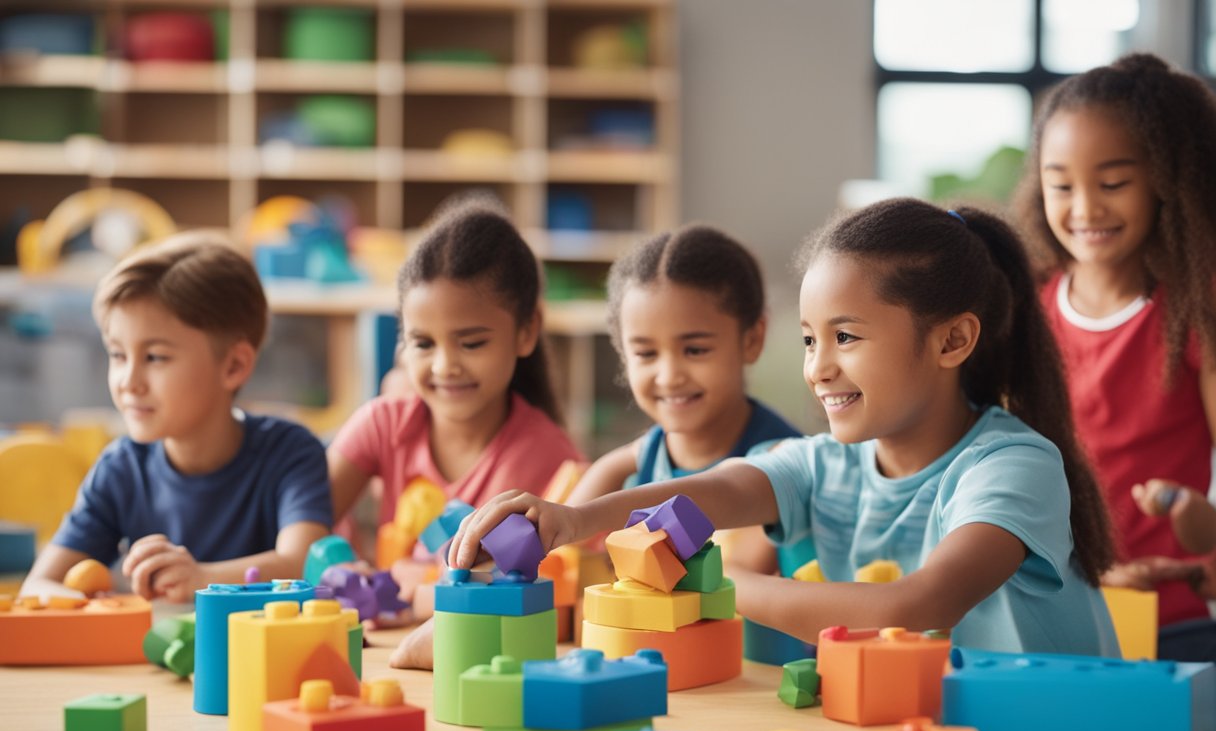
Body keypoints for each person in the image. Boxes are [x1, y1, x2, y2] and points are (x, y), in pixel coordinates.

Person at [449, 199, 1120, 657]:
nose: (818, 368)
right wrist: (570, 520)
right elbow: (712, 491)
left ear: (952, 341)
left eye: (846, 337)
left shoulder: (1010, 465)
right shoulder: (826, 463)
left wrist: (704, 583)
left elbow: (914, 607)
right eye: (809, 340)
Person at [1015, 53, 1216, 658]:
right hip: (1050, 611)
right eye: (1062, 185)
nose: (1085, 209)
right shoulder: (1028, 308)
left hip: (1172, 617)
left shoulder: (1196, 306)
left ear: (1166, 180)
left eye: (1113, 184)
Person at [324, 205, 583, 666]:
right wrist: (333, 565)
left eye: (472, 342)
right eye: (423, 343)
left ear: (526, 332)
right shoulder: (384, 422)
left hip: (476, 662)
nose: (445, 366)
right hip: (378, 658)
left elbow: (542, 605)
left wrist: (412, 594)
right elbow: (302, 519)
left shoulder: (543, 455)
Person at [22, 233, 332, 603]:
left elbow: (304, 566)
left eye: (155, 357)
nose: (129, 383)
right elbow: (38, 586)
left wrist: (201, 579)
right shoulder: (120, 469)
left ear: (234, 365)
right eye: (118, 355)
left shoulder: (290, 453)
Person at [567, 223, 810, 575]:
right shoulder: (639, 457)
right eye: (646, 354)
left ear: (752, 339)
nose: (669, 376)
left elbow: (729, 582)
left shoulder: (780, 460)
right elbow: (564, 536)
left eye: (695, 350)